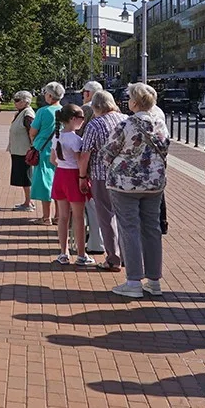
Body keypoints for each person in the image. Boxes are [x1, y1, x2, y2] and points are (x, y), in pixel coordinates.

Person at [102, 82, 170, 298]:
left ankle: (133, 282)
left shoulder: (126, 124)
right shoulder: (160, 123)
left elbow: (108, 151)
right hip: (154, 183)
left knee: (129, 228)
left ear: (135, 102)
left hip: (126, 184)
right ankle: (154, 280)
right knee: (152, 229)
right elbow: (166, 147)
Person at [79, 90, 127, 272]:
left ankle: (113, 259)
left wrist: (82, 177)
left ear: (96, 107)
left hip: (101, 175)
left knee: (106, 217)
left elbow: (85, 154)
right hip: (125, 175)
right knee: (125, 217)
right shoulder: (125, 119)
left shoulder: (95, 124)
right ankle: (127, 256)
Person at [51, 104, 93, 266]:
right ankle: (81, 254)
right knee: (78, 217)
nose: (83, 121)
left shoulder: (57, 136)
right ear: (72, 119)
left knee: (62, 217)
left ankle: (63, 252)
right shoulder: (76, 139)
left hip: (60, 175)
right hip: (73, 176)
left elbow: (52, 160)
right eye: (81, 118)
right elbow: (80, 160)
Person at [29, 82, 65, 225]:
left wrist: (34, 142)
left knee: (45, 183)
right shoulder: (65, 111)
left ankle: (46, 217)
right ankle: (58, 216)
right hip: (60, 151)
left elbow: (33, 131)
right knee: (58, 183)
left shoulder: (43, 111)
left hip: (44, 151)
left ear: (50, 95)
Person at [79, 80, 105, 252]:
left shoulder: (87, 109)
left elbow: (80, 133)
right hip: (105, 166)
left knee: (92, 205)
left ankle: (95, 240)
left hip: (92, 165)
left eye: (84, 92)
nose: (82, 95)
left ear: (89, 93)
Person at [8, 91, 36, 211]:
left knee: (26, 177)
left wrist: (32, 147)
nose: (15, 102)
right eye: (15, 99)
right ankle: (27, 201)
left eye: (18, 100)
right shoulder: (21, 113)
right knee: (23, 177)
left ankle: (28, 203)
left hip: (24, 151)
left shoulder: (27, 114)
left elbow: (32, 132)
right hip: (19, 150)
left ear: (26, 101)